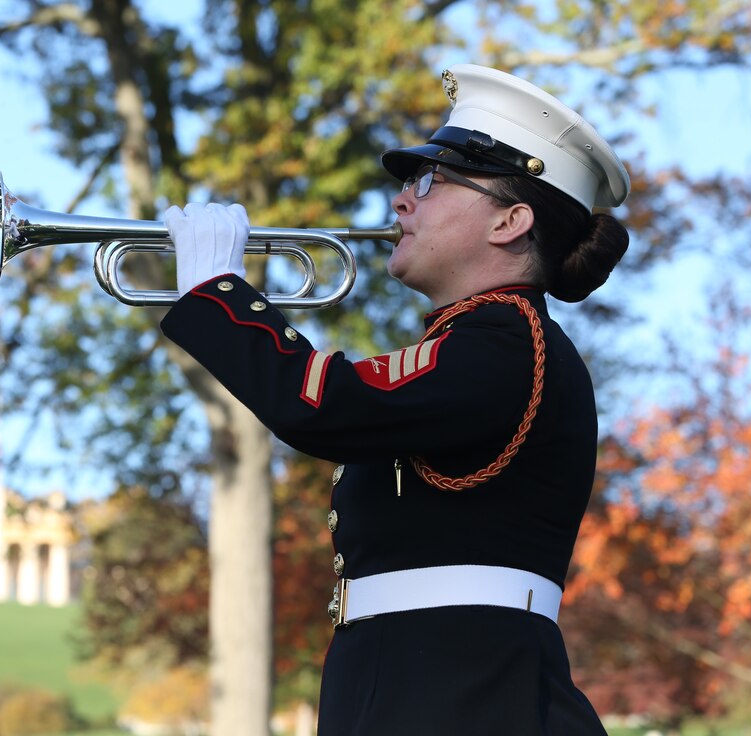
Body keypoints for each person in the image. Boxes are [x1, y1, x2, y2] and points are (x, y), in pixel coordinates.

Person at [159, 64, 630, 735]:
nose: (402, 201)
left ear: (510, 221)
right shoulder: (482, 341)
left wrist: (219, 296)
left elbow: (324, 405)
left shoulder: (505, 342)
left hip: (469, 699)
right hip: (420, 688)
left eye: (431, 181)